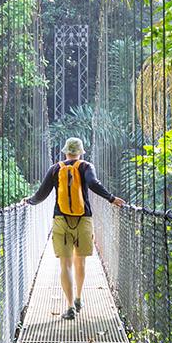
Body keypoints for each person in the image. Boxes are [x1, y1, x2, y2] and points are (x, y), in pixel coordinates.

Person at [25, 137, 125, 320]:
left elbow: (42, 194)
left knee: (65, 264)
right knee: (81, 262)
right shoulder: (86, 166)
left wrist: (29, 201)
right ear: (80, 152)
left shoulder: (55, 169)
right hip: (83, 219)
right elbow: (93, 184)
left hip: (61, 219)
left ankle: (70, 307)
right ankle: (78, 298)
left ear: (65, 152)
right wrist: (111, 198)